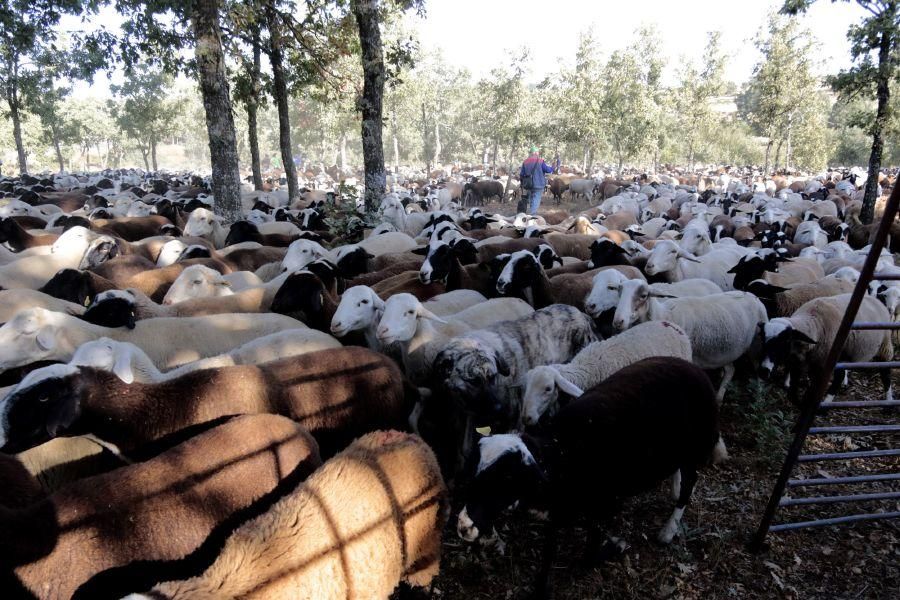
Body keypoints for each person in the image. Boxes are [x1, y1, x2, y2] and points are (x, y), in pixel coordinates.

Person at [520, 146, 554, 214]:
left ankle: (530, 213)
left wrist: (522, 183)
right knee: (536, 200)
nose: (538, 153)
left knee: (531, 199)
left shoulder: (525, 161)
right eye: (538, 152)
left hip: (528, 185)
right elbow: (548, 170)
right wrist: (553, 167)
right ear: (535, 152)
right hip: (538, 184)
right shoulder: (540, 161)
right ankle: (532, 216)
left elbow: (522, 174)